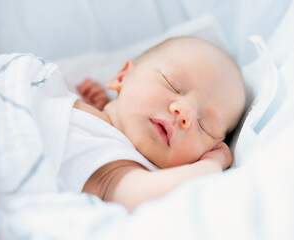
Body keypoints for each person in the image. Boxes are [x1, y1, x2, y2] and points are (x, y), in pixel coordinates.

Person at [59, 36, 246, 212]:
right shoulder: (65, 97)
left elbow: (164, 196)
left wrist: (212, 165)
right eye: (172, 85)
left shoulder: (113, 174)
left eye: (205, 126)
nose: (185, 112)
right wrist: (100, 108)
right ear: (122, 76)